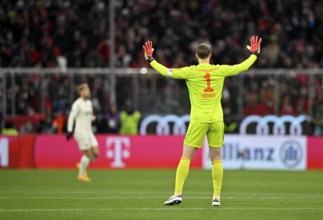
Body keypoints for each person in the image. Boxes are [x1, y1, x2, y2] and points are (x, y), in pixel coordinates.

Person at [142, 36, 262, 206]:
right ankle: (216, 198)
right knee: (217, 159)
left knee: (186, 157)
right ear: (210, 55)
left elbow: (166, 71)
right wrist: (255, 54)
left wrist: (150, 59)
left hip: (199, 120)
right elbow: (240, 67)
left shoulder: (190, 71)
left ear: (197, 56)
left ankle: (177, 193)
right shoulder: (220, 70)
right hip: (216, 119)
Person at [66, 83, 99, 182]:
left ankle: (82, 164)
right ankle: (81, 174)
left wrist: (94, 118)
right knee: (89, 156)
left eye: (88, 90)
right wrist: (69, 130)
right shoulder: (77, 104)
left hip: (89, 132)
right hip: (81, 133)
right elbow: (72, 117)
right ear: (81, 92)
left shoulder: (89, 103)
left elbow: (89, 115)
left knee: (96, 153)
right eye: (86, 91)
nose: (88, 92)